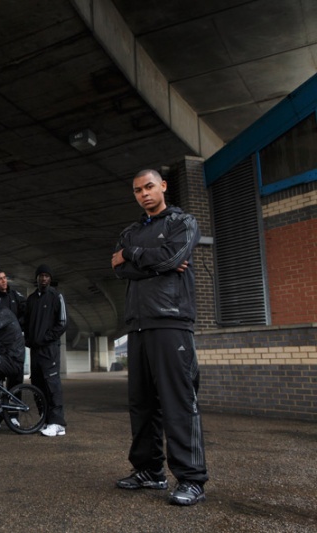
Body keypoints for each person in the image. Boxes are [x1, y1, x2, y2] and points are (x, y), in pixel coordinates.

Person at [111, 168, 208, 506]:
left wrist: (135, 255)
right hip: (137, 325)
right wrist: (154, 260)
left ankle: (192, 479)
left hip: (172, 323)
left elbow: (174, 257)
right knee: (142, 404)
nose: (144, 194)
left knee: (178, 402)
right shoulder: (131, 230)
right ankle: (149, 471)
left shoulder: (183, 223)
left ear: (163, 186)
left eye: (149, 187)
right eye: (138, 190)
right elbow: (117, 266)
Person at [24, 264, 68, 437]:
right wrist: (29, 339)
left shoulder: (56, 296)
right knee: (38, 385)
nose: (43, 278)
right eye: (40, 275)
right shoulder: (31, 299)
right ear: (36, 278)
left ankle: (58, 424)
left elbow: (63, 323)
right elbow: (26, 322)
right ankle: (46, 420)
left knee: (52, 386)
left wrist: (46, 337)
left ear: (50, 278)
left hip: (49, 349)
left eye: (46, 276)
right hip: (35, 351)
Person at [0, 269, 27, 429]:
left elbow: (27, 314)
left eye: (4, 278)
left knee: (15, 383)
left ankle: (14, 416)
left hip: (14, 349)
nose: (4, 281)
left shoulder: (16, 296)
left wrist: (16, 326)